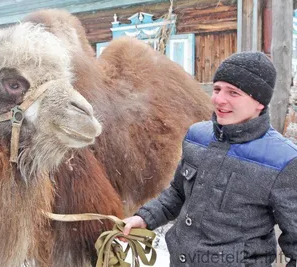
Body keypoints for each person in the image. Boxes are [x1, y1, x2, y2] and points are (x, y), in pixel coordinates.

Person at [122, 52, 297, 267]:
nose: (218, 99)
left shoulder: (283, 161)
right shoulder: (197, 137)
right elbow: (177, 193)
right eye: (217, 89)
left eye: (233, 92)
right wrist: (145, 218)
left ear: (259, 102)